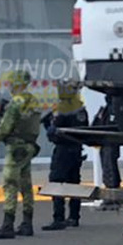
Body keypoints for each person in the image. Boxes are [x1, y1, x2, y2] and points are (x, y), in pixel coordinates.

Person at [0, 70, 42, 239]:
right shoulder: (33, 100)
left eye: (11, 83)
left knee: (10, 183)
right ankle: (27, 223)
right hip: (29, 147)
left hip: (16, 146)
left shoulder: (16, 102)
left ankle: (7, 224)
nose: (9, 86)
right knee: (26, 184)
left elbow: (5, 126)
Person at [41, 80, 89, 231]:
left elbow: (53, 132)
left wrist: (48, 125)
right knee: (74, 183)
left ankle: (59, 218)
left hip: (63, 150)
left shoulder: (63, 108)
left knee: (56, 183)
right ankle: (74, 217)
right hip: (76, 150)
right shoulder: (81, 108)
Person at [92, 96, 121, 210]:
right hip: (105, 142)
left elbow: (112, 125)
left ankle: (112, 197)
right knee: (107, 168)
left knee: (110, 168)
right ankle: (111, 195)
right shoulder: (106, 109)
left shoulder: (114, 109)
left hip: (110, 142)